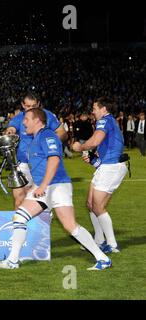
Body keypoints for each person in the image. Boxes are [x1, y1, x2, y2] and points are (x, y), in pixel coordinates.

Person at [0, 108, 112, 271]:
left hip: (57, 186)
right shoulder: (34, 139)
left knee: (71, 226)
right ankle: (13, 260)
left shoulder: (47, 135)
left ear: (37, 121)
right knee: (20, 217)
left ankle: (102, 258)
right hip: (46, 187)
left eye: (27, 119)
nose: (23, 122)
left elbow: (54, 159)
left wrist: (42, 185)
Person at [72, 97, 128, 253]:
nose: (93, 110)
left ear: (104, 109)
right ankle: (99, 240)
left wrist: (80, 147)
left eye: (95, 107)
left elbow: (95, 140)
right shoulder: (109, 122)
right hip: (107, 166)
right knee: (90, 204)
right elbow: (105, 147)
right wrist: (93, 159)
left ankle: (112, 244)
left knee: (98, 206)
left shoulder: (104, 120)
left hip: (112, 167)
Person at [5, 93, 67, 210]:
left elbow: (62, 133)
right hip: (22, 162)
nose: (31, 109)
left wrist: (49, 144)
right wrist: (10, 132)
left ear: (38, 104)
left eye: (34, 106)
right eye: (28, 106)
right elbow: (11, 128)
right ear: (23, 105)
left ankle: (40, 225)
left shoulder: (47, 116)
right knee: (19, 198)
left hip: (41, 163)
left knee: (40, 199)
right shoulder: (19, 118)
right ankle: (20, 226)